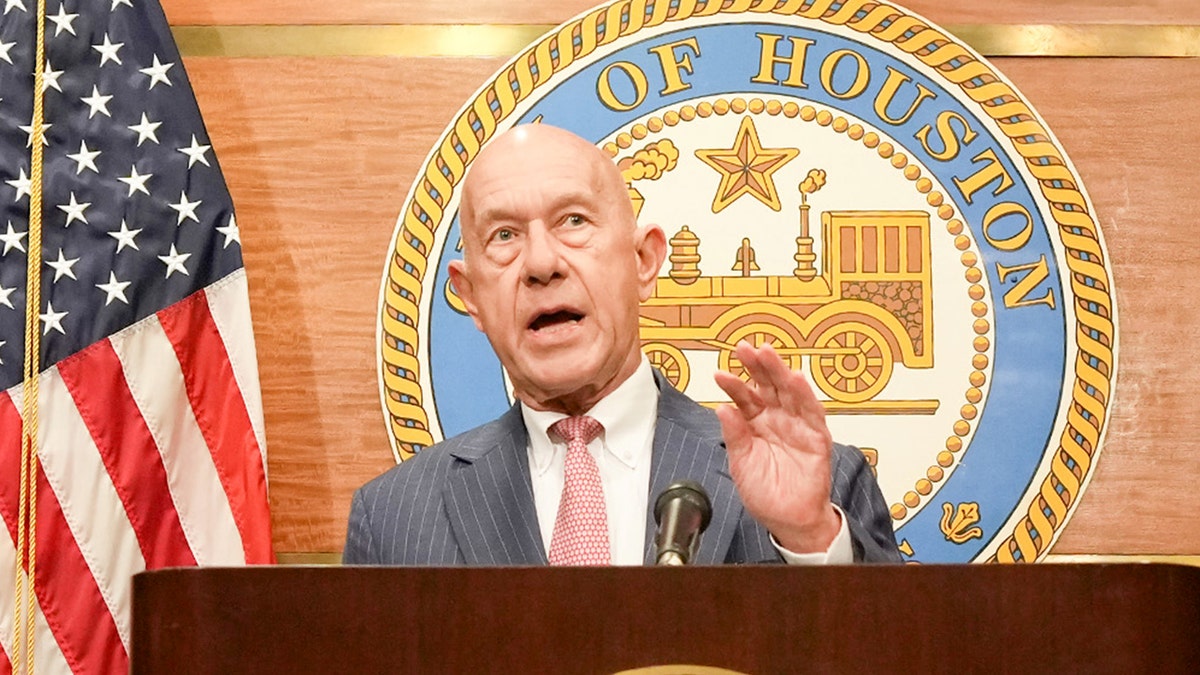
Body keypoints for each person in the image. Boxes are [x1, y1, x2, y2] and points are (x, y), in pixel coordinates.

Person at [344, 124, 901, 565]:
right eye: (504, 236)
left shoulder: (820, 487)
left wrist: (808, 537)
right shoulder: (394, 516)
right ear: (470, 295)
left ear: (644, 262)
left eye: (573, 220)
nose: (541, 264)